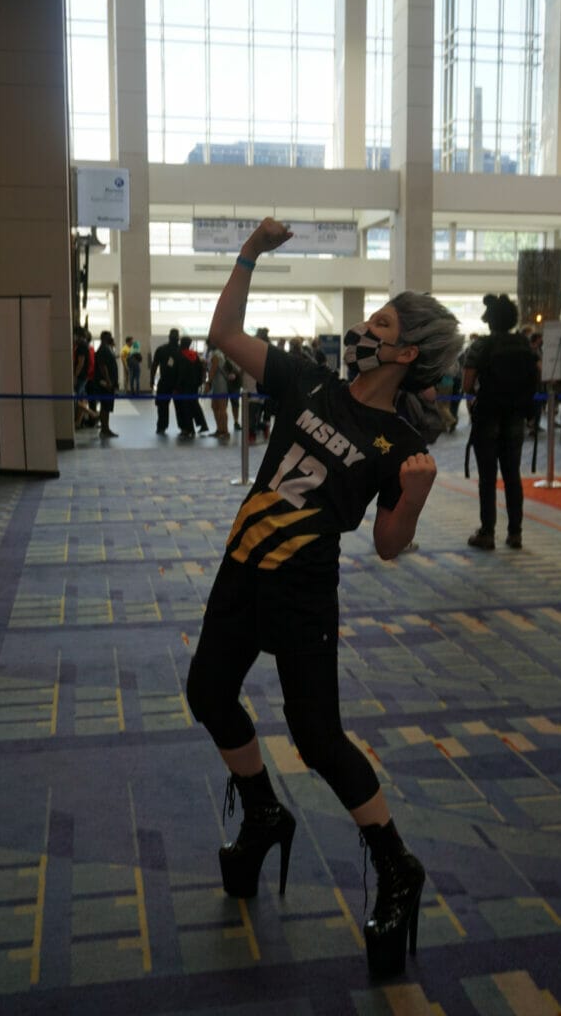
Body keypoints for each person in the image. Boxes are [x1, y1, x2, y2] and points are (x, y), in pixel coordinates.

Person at [186, 217, 463, 979]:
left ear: (405, 353)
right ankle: (264, 810)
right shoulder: (308, 379)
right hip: (242, 566)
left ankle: (396, 864)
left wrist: (411, 501)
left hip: (304, 592)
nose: (363, 330)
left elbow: (386, 545)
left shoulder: (401, 447)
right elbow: (223, 331)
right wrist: (249, 253)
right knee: (208, 691)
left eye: (380, 324)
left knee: (317, 739)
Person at [462, 294, 539, 550]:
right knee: (512, 476)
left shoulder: (481, 345)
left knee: (488, 477)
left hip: (487, 417)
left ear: (490, 321)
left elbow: (467, 383)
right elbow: (535, 377)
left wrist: (472, 402)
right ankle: (515, 533)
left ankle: (487, 533)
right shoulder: (524, 344)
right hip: (516, 415)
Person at [175, 335, 205, 440]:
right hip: (194, 385)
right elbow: (201, 370)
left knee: (185, 408)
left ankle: (189, 429)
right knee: (194, 404)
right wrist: (199, 382)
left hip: (184, 387)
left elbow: (181, 373)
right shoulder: (194, 355)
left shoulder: (181, 355)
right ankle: (202, 425)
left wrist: (177, 386)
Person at [151, 329, 180, 434]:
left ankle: (162, 427)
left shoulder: (161, 349)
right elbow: (154, 365)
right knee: (178, 407)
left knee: (163, 407)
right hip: (177, 383)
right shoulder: (180, 350)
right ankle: (183, 427)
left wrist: (151, 379)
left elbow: (154, 366)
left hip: (167, 382)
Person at [204, 336, 230, 441]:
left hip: (220, 384)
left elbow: (213, 369)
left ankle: (225, 430)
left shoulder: (216, 354)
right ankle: (219, 429)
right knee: (215, 407)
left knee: (222, 408)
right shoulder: (215, 353)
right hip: (216, 384)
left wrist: (208, 382)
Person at [95, 330, 119, 438]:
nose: (112, 338)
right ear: (105, 338)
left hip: (109, 383)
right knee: (105, 406)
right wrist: (108, 380)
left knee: (107, 406)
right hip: (105, 384)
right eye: (110, 336)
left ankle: (105, 428)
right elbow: (103, 366)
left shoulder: (107, 348)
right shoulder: (103, 349)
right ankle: (105, 429)